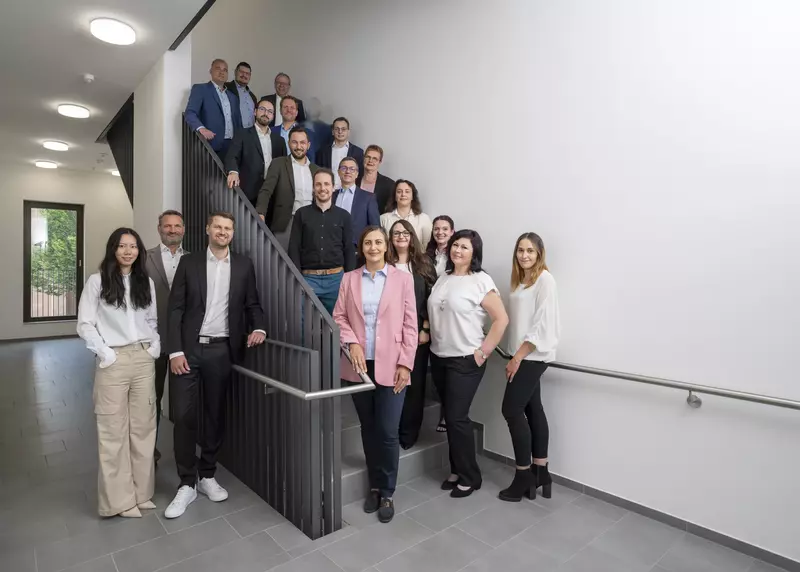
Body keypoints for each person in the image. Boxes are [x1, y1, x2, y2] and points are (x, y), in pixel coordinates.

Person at [164, 212, 266, 519]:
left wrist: (259, 327)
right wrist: (175, 351)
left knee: (214, 415)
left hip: (222, 350)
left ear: (232, 233)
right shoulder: (189, 263)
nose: (222, 232)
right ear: (208, 229)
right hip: (188, 351)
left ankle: (207, 474)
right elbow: (175, 309)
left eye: (227, 228)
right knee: (184, 416)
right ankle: (186, 482)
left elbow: (252, 303)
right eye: (218, 227)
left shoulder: (244, 265)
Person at [333, 226, 417, 523]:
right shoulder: (349, 279)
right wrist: (352, 342)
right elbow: (339, 317)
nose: (373, 247)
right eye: (368, 242)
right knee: (368, 429)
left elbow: (410, 325)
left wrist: (406, 363)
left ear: (386, 246)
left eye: (378, 242)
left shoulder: (402, 279)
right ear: (361, 247)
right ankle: (374, 486)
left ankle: (388, 491)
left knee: (387, 431)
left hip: (393, 365)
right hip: (358, 366)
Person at [77, 228, 160, 518]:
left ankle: (142, 493)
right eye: (122, 246)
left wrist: (154, 347)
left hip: (143, 359)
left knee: (143, 428)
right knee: (113, 430)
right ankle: (120, 502)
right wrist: (106, 353)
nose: (128, 251)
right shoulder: (97, 281)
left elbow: (152, 320)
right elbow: (85, 324)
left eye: (133, 246)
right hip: (113, 361)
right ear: (113, 248)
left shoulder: (145, 282)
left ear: (139, 251)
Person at [428, 230, 508, 497]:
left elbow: (501, 319)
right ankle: (456, 469)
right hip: (439, 356)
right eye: (455, 245)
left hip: (465, 360)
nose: (457, 250)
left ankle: (470, 476)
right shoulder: (444, 278)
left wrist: (484, 352)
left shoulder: (481, 280)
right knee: (451, 418)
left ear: (474, 253)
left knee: (456, 417)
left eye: (464, 247)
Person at [499, 233, 560, 502]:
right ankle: (541, 471)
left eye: (530, 251)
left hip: (532, 356)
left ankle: (523, 475)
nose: (524, 255)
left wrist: (517, 358)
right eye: (521, 250)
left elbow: (541, 323)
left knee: (511, 410)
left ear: (539, 254)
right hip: (521, 354)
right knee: (533, 409)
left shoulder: (545, 279)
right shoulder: (520, 280)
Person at [388, 220, 437, 449]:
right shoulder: (384, 263)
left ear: (412, 236)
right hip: (389, 332)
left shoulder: (423, 264)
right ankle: (391, 428)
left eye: (405, 232)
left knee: (414, 384)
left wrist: (425, 328)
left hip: (417, 331)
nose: (400, 236)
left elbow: (431, 299)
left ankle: (408, 433)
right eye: (396, 233)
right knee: (391, 380)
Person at [144, 211, 186, 466]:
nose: (172, 230)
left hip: (183, 344)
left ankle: (186, 454)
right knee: (151, 401)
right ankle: (148, 452)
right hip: (153, 342)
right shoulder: (143, 258)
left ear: (184, 229)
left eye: (177, 226)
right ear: (159, 229)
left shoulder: (193, 260)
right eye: (167, 226)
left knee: (185, 404)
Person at [289, 169, 356, 314]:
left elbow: (349, 249)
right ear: (313, 188)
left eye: (326, 184)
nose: (322, 188)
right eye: (318, 184)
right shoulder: (301, 214)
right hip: (308, 279)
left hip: (336, 279)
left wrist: (349, 279)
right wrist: (298, 278)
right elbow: (294, 247)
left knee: (336, 322)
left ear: (333, 187)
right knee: (303, 322)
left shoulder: (344, 216)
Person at [255, 126, 319, 249]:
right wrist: (260, 212)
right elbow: (266, 190)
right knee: (281, 258)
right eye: (295, 142)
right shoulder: (278, 163)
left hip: (312, 222)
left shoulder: (316, 170)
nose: (298, 146)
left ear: (308, 145)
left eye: (302, 143)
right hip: (285, 222)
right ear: (289, 143)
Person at [225, 97, 287, 206]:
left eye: (270, 111)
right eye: (262, 109)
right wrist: (233, 172)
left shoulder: (279, 141)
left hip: (272, 193)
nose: (266, 113)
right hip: (248, 192)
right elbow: (232, 156)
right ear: (255, 112)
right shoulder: (242, 134)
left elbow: (283, 166)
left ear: (273, 116)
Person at [426, 215, 455, 433]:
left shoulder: (456, 254)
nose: (440, 232)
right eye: (437, 229)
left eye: (445, 229)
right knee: (435, 367)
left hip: (449, 316)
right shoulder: (426, 255)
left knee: (449, 372)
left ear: (452, 232)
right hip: (429, 313)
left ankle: (447, 414)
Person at [185, 59, 242, 159]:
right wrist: (201, 129)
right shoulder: (200, 89)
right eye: (218, 68)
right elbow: (190, 113)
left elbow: (238, 122)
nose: (222, 72)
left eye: (225, 70)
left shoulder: (233, 97)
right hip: (210, 144)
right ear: (210, 71)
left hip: (232, 146)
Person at [332, 157, 380, 254]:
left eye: (352, 169)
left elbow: (375, 228)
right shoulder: (331, 196)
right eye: (344, 168)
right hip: (332, 249)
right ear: (338, 172)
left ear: (357, 174)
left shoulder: (368, 198)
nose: (347, 171)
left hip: (357, 251)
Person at [380, 180, 433, 247]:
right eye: (399, 192)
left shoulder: (424, 218)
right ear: (395, 196)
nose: (403, 194)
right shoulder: (383, 219)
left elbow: (427, 246)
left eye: (407, 192)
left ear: (412, 196)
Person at [315, 117, 364, 188]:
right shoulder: (322, 151)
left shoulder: (358, 152)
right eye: (337, 129)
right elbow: (319, 174)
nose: (340, 132)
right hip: (328, 191)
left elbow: (360, 175)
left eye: (343, 129)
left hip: (349, 192)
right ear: (332, 132)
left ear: (348, 132)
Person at [359, 144, 394, 214]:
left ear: (380, 162)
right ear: (363, 158)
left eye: (374, 159)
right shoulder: (354, 180)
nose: (370, 161)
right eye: (368, 157)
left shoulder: (389, 184)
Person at [224, 62, 257, 129]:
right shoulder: (225, 88)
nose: (244, 75)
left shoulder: (253, 96)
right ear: (235, 72)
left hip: (251, 132)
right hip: (234, 132)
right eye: (241, 72)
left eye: (247, 73)